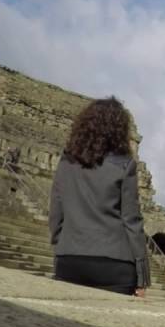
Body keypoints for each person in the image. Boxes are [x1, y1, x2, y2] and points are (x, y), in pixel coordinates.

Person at [49, 97, 150, 296]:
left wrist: (61, 245)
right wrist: (142, 274)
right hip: (115, 264)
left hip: (70, 259)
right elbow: (132, 220)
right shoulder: (125, 164)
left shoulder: (66, 161)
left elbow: (56, 211)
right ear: (119, 130)